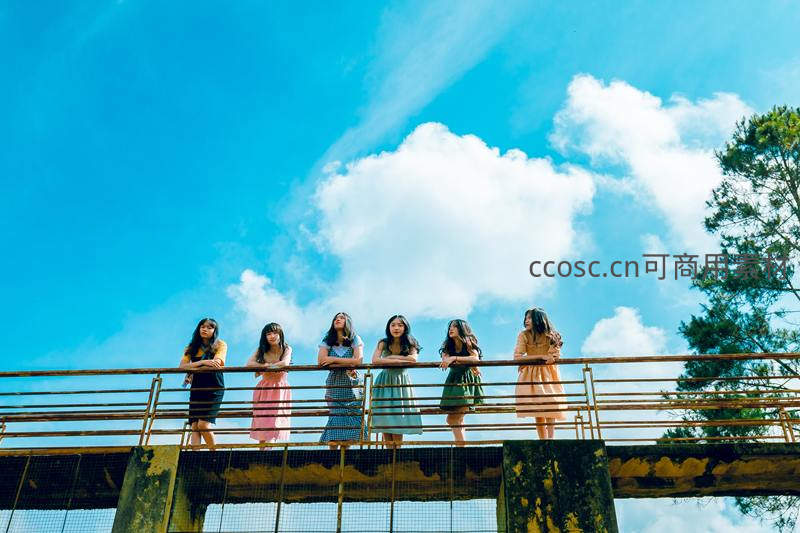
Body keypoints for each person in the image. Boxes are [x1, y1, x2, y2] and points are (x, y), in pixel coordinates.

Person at [514, 308, 567, 439]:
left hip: (548, 373)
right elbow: (517, 357)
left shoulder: (551, 335)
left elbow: (554, 356)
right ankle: (542, 440)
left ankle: (551, 439)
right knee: (536, 406)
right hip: (531, 374)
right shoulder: (523, 335)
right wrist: (541, 357)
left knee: (550, 404)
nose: (526, 321)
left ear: (539, 319)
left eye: (530, 318)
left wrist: (546, 357)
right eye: (526, 318)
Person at [370, 315, 423, 444]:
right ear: (388, 327)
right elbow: (375, 360)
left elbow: (413, 359)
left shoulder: (411, 342)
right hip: (385, 381)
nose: (396, 328)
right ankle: (389, 452)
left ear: (405, 327)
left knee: (399, 417)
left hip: (401, 382)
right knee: (385, 416)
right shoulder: (383, 342)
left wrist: (390, 358)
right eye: (393, 325)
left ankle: (397, 452)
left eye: (400, 325)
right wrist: (400, 360)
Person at [318, 312, 367, 446]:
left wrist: (332, 359)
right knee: (336, 415)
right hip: (335, 383)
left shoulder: (354, 338)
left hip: (352, 382)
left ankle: (346, 453)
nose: (337, 319)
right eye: (336, 318)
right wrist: (347, 362)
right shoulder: (327, 340)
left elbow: (358, 361)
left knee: (352, 414)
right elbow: (321, 360)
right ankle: (333, 454)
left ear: (348, 322)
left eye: (341, 318)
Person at [179, 318, 226, 450]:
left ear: (214, 331)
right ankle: (196, 456)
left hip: (214, 386)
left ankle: (215, 454)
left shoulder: (220, 344)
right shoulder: (191, 347)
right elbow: (182, 367)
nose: (205, 329)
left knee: (203, 425)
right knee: (194, 425)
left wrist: (193, 366)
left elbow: (216, 364)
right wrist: (203, 362)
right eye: (202, 326)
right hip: (197, 387)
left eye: (209, 327)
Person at [438, 319, 484, 445]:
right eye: (450, 327)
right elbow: (445, 360)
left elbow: (475, 359)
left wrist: (455, 358)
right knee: (458, 419)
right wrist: (462, 360)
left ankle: (461, 447)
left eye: (455, 327)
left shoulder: (469, 343)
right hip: (453, 382)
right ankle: (462, 447)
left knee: (452, 419)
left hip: (466, 382)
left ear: (462, 329)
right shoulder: (447, 346)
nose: (451, 329)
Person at [246, 322, 292, 446]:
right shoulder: (261, 350)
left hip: (279, 388)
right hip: (264, 388)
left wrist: (265, 367)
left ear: (280, 334)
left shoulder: (286, 348)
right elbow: (249, 364)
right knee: (262, 421)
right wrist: (266, 366)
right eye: (268, 334)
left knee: (275, 421)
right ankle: (262, 452)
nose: (272, 336)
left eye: (275, 333)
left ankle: (268, 451)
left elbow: (285, 363)